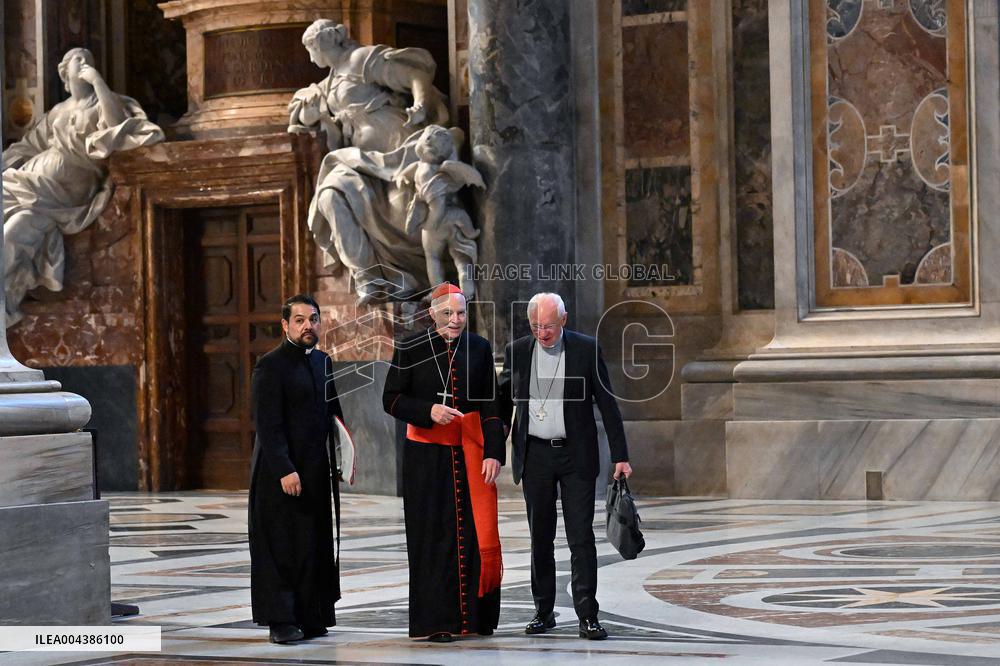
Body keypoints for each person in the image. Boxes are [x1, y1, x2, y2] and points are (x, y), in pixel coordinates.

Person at [498, 293, 633, 640]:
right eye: (536, 326)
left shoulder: (585, 349)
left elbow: (607, 402)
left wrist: (621, 455)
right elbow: (499, 407)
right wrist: (493, 451)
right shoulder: (517, 351)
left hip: (576, 455)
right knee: (539, 538)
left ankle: (587, 614)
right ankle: (543, 611)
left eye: (549, 326)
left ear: (564, 320)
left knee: (580, 538)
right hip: (536, 455)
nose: (542, 333)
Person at [289, 19, 450, 304]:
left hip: (397, 146)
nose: (311, 57)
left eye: (311, 50)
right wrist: (314, 115)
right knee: (329, 195)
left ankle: (411, 276)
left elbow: (415, 75)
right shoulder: (329, 82)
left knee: (406, 210)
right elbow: (312, 121)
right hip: (361, 160)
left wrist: (421, 106)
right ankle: (371, 277)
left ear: (323, 45)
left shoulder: (360, 59)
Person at [2, 47, 163, 327]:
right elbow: (28, 145)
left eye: (89, 58)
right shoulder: (58, 111)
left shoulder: (103, 102)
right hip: (34, 182)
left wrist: (99, 83)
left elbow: (116, 126)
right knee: (13, 229)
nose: (85, 61)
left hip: (68, 190)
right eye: (78, 58)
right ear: (65, 70)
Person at [382, 282, 505, 641]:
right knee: (433, 538)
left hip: (470, 452)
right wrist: (428, 410)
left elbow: (491, 406)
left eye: (462, 313)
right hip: (426, 458)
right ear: (433, 313)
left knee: (474, 534)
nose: (456, 320)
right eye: (449, 313)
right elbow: (390, 400)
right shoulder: (410, 346)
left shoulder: (479, 348)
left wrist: (494, 451)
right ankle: (436, 621)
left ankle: (477, 619)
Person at [248, 294, 344, 644]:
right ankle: (282, 620)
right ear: (285, 325)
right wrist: (285, 469)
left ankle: (311, 614)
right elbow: (267, 425)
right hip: (281, 473)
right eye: (300, 320)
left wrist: (344, 458)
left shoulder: (322, 361)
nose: (308, 326)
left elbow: (334, 414)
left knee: (311, 543)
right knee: (282, 546)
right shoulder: (270, 365)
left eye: (313, 319)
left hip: (316, 470)